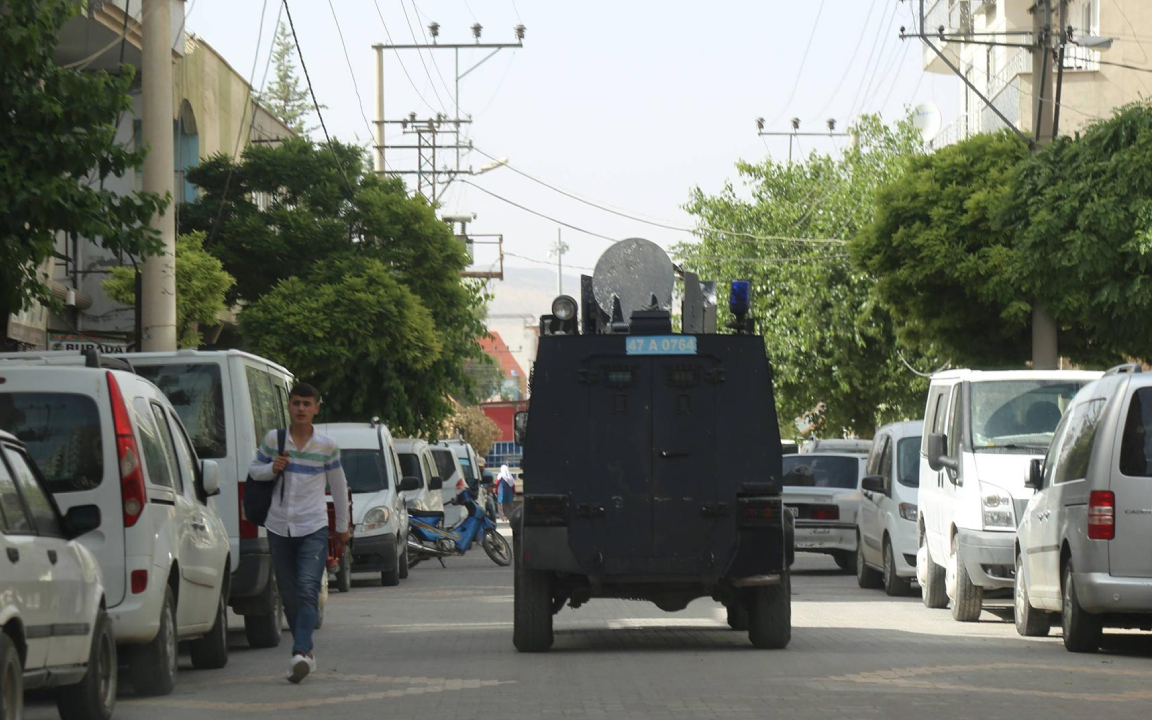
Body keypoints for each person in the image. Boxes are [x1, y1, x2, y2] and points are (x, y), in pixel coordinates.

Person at [249, 383, 349, 684]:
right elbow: (254, 471)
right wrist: (272, 469)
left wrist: (342, 527)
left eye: (307, 403)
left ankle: (300, 652)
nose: (301, 408)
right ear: (289, 407)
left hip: (313, 527)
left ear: (316, 408)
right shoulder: (274, 440)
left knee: (307, 588)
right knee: (290, 596)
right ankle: (306, 654)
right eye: (296, 403)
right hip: (279, 526)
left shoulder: (327, 446)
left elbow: (339, 487)